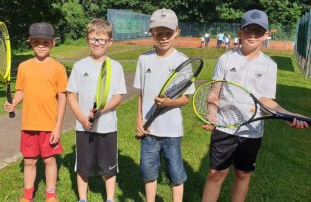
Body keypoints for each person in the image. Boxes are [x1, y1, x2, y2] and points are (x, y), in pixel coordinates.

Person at [201, 9, 309, 202]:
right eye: (248, 29)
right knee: (215, 174)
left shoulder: (269, 65)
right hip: (225, 127)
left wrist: (289, 114)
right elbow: (214, 92)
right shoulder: (226, 59)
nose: (252, 35)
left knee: (243, 174)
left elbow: (266, 101)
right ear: (240, 32)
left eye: (258, 31)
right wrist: (211, 115)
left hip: (252, 131)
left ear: (266, 35)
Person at [134, 8, 195, 202]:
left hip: (172, 132)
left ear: (176, 32)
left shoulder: (183, 61)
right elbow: (141, 94)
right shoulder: (144, 59)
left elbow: (186, 99)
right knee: (148, 172)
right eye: (159, 33)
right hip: (149, 130)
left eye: (168, 33)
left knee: (176, 173)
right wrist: (138, 119)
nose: (163, 38)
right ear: (151, 33)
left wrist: (170, 102)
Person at [4, 22, 67, 202]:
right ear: (30, 42)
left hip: (49, 125)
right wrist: (13, 102)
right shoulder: (23, 67)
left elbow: (62, 98)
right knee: (29, 161)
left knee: (49, 160)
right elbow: (21, 91)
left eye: (45, 42)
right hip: (29, 124)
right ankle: (27, 195)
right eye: (36, 41)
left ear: (53, 43)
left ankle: (50, 194)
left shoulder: (58, 68)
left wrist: (58, 127)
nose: (41, 45)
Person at [67, 18, 127, 202]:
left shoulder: (115, 67)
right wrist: (81, 117)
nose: (97, 43)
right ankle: (83, 198)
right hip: (83, 127)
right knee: (83, 166)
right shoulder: (79, 66)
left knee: (109, 166)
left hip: (107, 127)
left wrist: (101, 110)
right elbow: (71, 95)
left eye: (101, 39)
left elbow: (118, 97)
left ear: (109, 42)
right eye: (93, 38)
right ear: (87, 40)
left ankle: (109, 198)